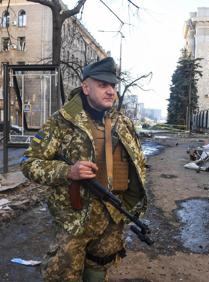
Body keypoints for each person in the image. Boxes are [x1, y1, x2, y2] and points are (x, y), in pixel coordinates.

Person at [21, 57, 147, 282]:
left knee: (99, 270)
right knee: (62, 274)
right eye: (103, 85)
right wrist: (68, 171)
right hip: (74, 219)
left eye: (113, 86)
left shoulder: (122, 123)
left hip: (112, 214)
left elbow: (137, 164)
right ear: (86, 87)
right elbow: (29, 162)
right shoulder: (61, 122)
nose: (110, 91)